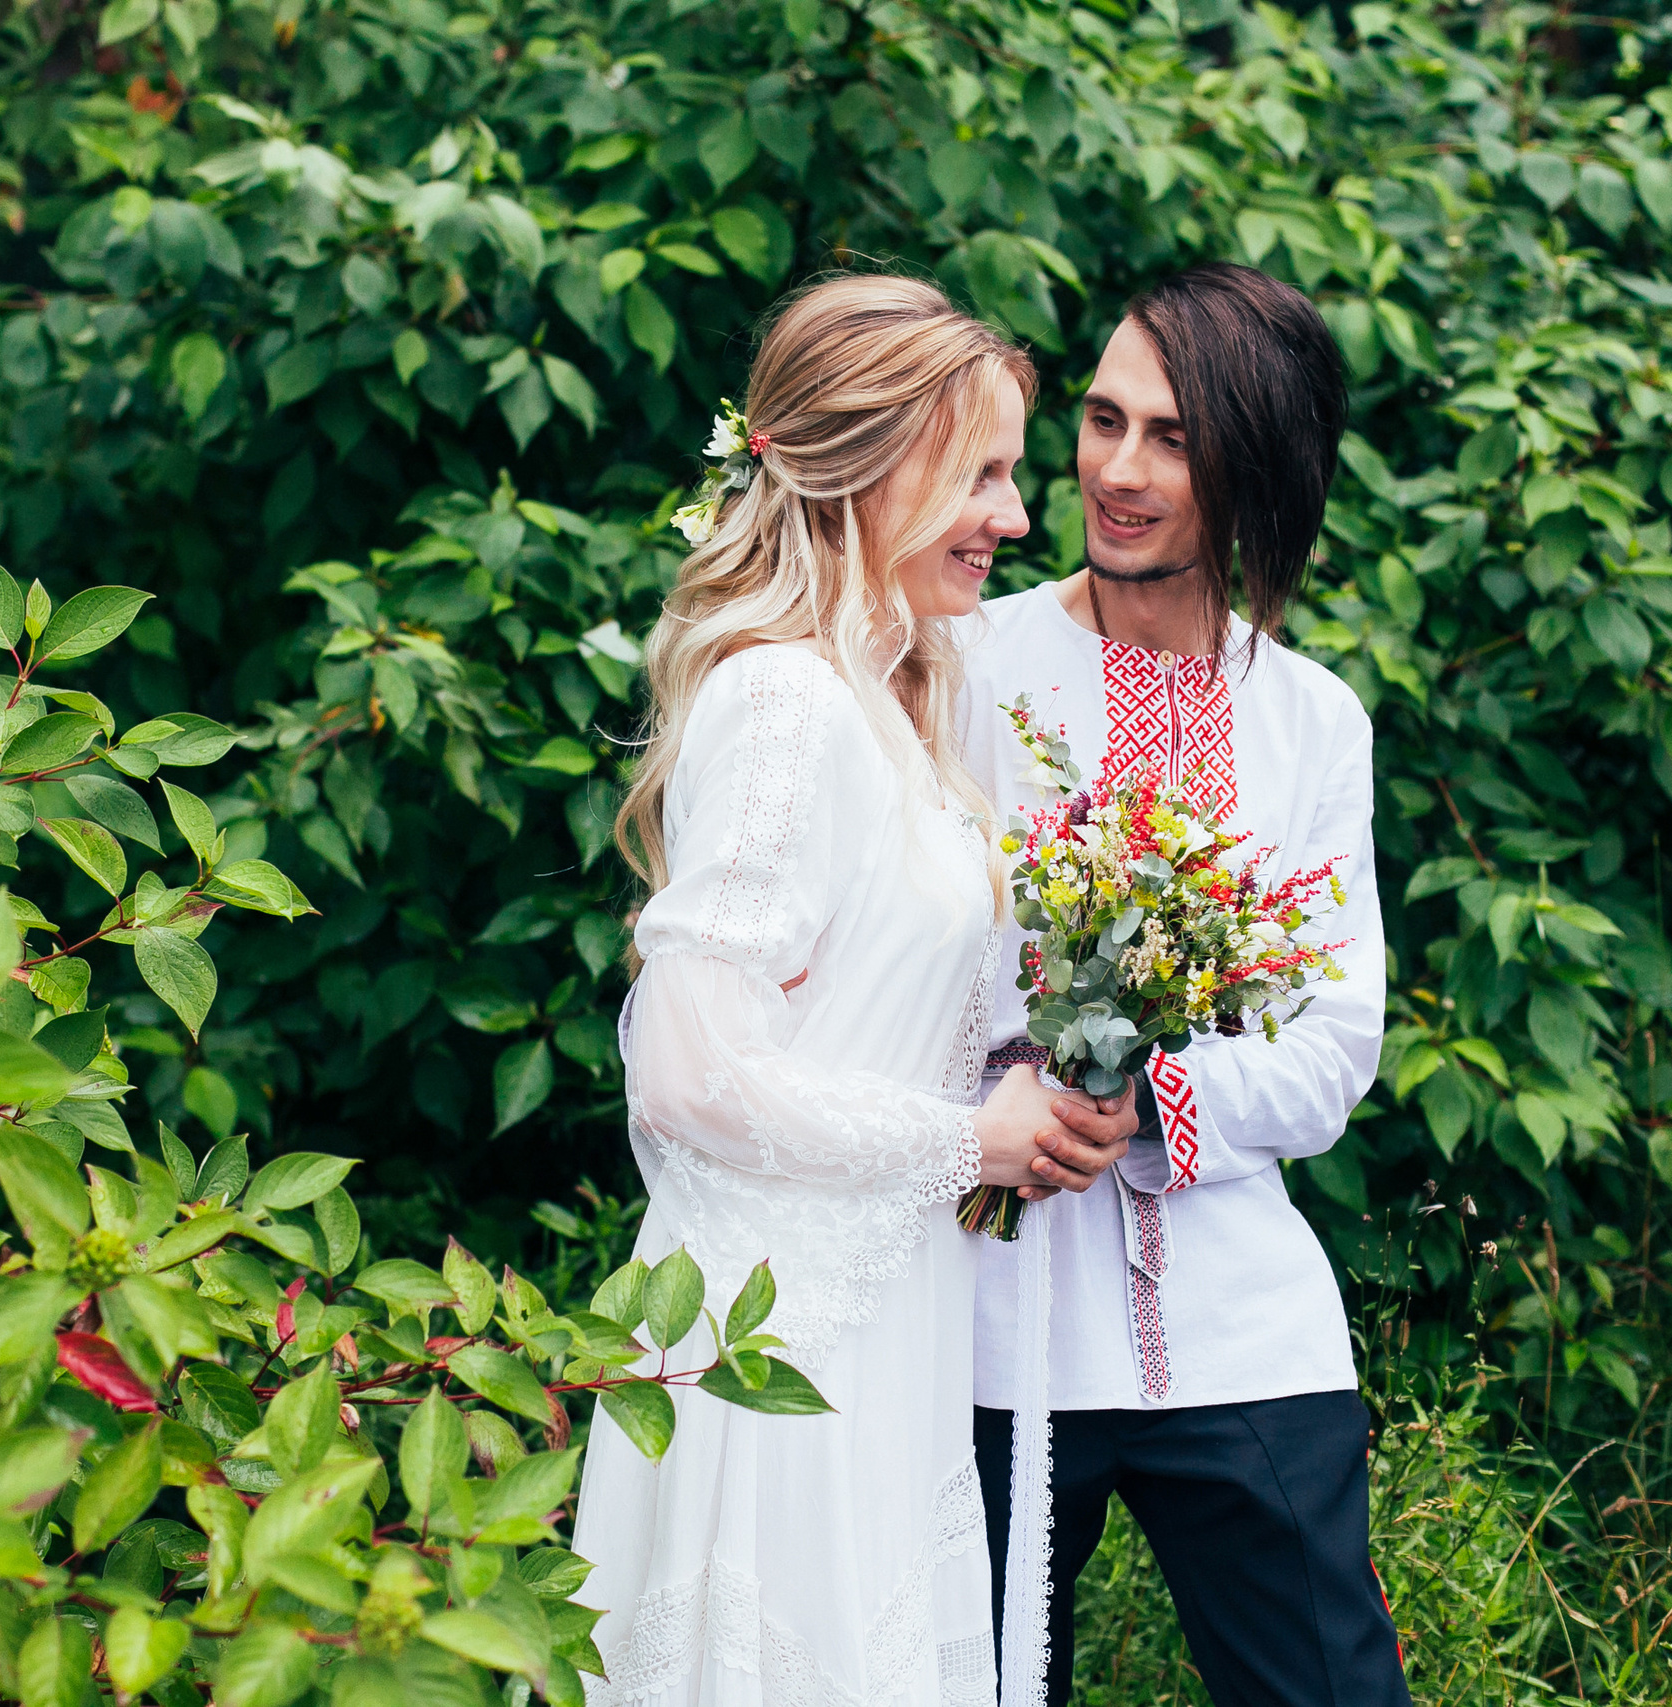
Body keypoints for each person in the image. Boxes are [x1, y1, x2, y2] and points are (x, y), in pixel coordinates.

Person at [571, 274, 1133, 1707]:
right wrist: (973, 1143)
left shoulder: (894, 701)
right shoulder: (785, 702)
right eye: (982, 476)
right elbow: (688, 1072)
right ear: (870, 471)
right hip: (778, 1339)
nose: (1017, 517)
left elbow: (858, 1018)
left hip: (883, 1324)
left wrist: (1031, 1077)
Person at [957, 262, 1407, 1707]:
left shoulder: (1313, 721)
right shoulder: (959, 668)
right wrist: (1007, 1102)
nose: (1119, 471)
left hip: (1238, 1321)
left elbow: (1331, 1048)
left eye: (1173, 438)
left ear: (1257, 466)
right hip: (985, 1321)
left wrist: (1144, 1099)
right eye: (1102, 421)